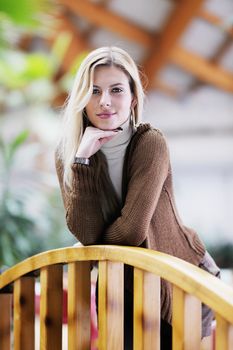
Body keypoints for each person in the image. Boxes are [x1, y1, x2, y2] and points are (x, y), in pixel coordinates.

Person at [55, 46, 220, 349]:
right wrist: (82, 161)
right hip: (121, 279)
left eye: (116, 90)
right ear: (81, 99)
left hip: (178, 276)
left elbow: (132, 231)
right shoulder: (69, 154)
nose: (104, 101)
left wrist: (95, 244)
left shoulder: (150, 143)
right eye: (93, 91)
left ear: (132, 98)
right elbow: (86, 231)